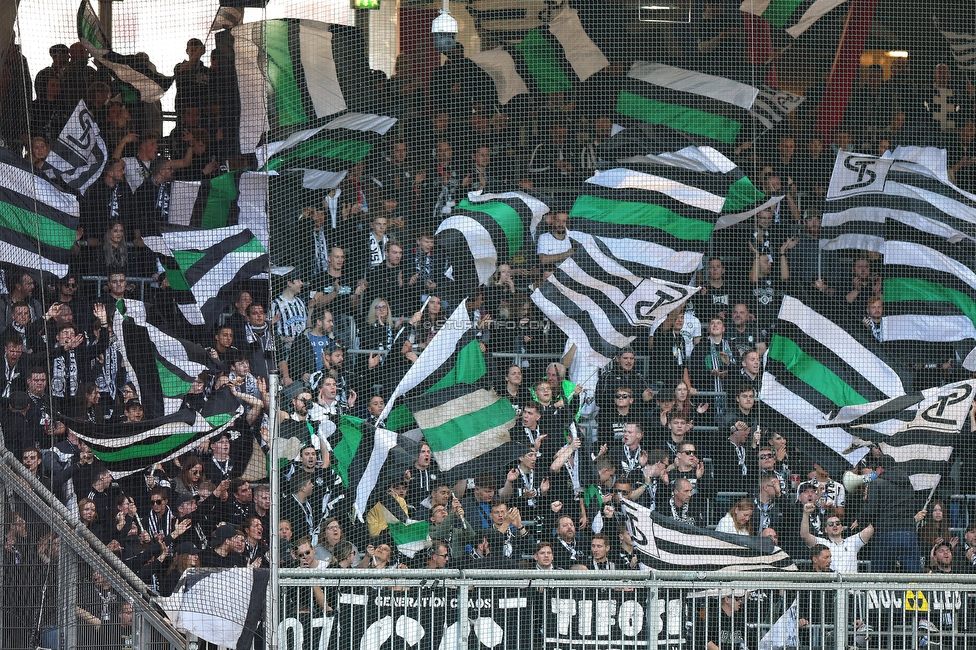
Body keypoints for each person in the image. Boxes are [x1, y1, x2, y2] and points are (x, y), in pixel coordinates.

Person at [858, 459, 924, 573]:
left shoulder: (877, 483)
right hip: (908, 533)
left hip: (885, 533)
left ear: (880, 468)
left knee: (880, 577)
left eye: (875, 470)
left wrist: (861, 519)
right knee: (914, 576)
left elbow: (871, 510)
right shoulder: (908, 484)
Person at [801, 503, 874, 573]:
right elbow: (805, 535)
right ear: (825, 529)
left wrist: (862, 517)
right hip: (831, 584)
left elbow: (871, 529)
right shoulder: (821, 543)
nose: (835, 525)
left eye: (838, 523)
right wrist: (805, 514)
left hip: (851, 584)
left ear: (842, 527)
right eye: (830, 524)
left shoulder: (852, 541)